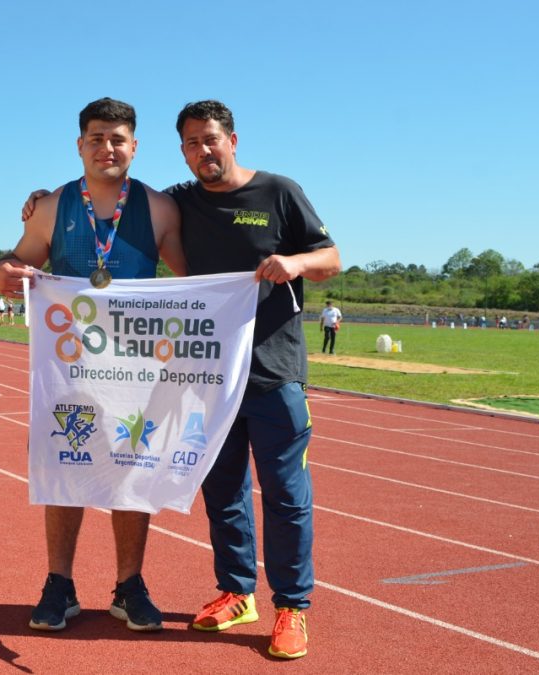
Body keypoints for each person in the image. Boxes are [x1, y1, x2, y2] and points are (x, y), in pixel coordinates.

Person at [0, 97, 185, 634]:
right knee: (62, 472)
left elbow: (196, 287)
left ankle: (130, 585)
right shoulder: (52, 207)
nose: (107, 148)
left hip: (136, 373)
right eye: (96, 138)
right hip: (68, 373)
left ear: (135, 147)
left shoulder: (161, 209)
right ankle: (59, 584)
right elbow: (16, 260)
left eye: (118, 139)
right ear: (80, 145)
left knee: (133, 474)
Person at [167, 100, 339, 660]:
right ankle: (237, 592)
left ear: (233, 140)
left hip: (273, 375)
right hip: (210, 378)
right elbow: (114, 201)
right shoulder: (179, 201)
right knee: (223, 492)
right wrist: (49, 197)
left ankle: (292, 606)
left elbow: (332, 257)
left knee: (287, 495)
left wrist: (295, 263)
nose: (202, 151)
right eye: (191, 143)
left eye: (210, 139)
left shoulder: (279, 192)